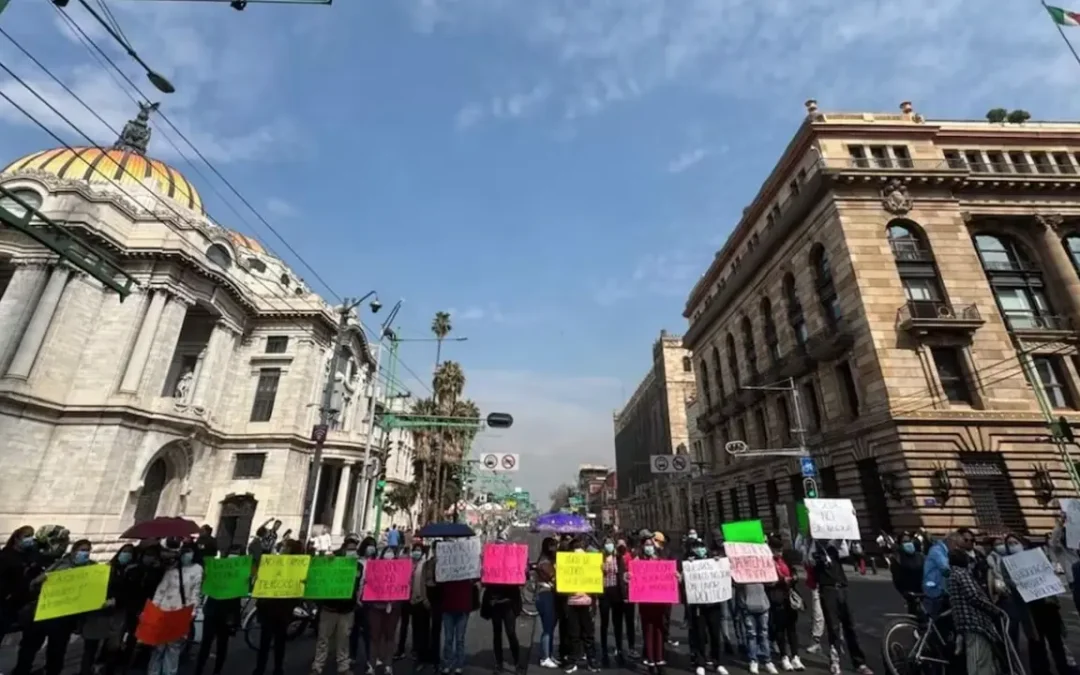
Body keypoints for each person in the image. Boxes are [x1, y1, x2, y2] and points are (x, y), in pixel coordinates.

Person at [12, 535, 85, 675]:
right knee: (29, 649)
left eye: (88, 550)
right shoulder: (55, 563)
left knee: (56, 653)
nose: (85, 554)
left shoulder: (90, 570)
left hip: (63, 621)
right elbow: (32, 586)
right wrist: (40, 581)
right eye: (82, 550)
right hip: (42, 615)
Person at [811, 540, 872, 675]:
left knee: (850, 626)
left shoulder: (834, 548)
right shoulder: (813, 550)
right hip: (827, 590)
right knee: (833, 627)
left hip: (842, 588)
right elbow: (808, 560)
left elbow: (848, 556)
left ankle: (859, 663)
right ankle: (835, 661)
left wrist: (857, 552)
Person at [147, 539, 203, 675]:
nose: (186, 555)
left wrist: (192, 612)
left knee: (173, 650)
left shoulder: (197, 570)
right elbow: (160, 591)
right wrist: (153, 611)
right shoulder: (171, 569)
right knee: (158, 649)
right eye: (184, 552)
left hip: (180, 614)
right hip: (163, 612)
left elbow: (195, 594)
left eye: (189, 552)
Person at [946, 547, 1005, 675]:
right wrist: (994, 609)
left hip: (965, 622)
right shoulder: (962, 574)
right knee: (978, 659)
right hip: (974, 621)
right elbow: (974, 596)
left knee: (977, 657)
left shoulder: (953, 574)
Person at [80, 543, 135, 675]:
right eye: (124, 551)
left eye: (129, 553)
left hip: (117, 613)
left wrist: (118, 600)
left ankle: (104, 669)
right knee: (91, 647)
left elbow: (132, 592)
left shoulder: (133, 571)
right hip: (100, 611)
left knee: (112, 646)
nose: (126, 555)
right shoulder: (107, 568)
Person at [312, 535, 362, 675]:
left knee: (344, 639)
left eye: (354, 549)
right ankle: (318, 666)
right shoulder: (332, 562)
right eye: (350, 549)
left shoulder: (358, 566)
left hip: (347, 610)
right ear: (344, 549)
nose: (352, 552)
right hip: (330, 608)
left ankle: (343, 666)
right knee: (323, 639)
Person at [253, 540, 303, 675]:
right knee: (266, 641)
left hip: (282, 609)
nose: (283, 548)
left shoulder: (298, 566)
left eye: (286, 546)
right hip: (269, 607)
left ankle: (276, 668)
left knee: (278, 642)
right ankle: (262, 668)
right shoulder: (272, 562)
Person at [193, 546, 241, 675]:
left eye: (236, 554)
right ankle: (199, 670)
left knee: (222, 644)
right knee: (206, 643)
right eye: (232, 553)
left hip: (227, 615)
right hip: (213, 610)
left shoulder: (241, 573)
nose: (233, 557)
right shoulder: (217, 568)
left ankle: (217, 671)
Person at [436, 541, 477, 675]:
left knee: (459, 639)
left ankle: (459, 664)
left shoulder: (469, 571)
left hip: (462, 608)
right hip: (448, 607)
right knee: (448, 638)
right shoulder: (445, 570)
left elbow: (476, 579)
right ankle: (447, 663)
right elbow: (438, 582)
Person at [561, 537, 598, 674]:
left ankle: (582, 660)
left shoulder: (590, 563)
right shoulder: (567, 564)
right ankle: (585, 661)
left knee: (581, 634)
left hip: (582, 602)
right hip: (576, 602)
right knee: (580, 634)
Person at [767, 534, 803, 672]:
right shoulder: (767, 563)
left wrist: (793, 577)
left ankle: (795, 656)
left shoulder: (785, 559)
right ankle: (784, 657)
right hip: (776, 598)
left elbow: (793, 572)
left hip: (789, 598)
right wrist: (782, 581)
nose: (779, 553)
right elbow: (769, 582)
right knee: (780, 629)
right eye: (776, 550)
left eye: (780, 550)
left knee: (792, 629)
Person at [735, 548, 774, 675]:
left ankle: (768, 661)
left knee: (764, 633)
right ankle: (754, 660)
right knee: (751, 635)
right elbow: (734, 583)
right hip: (748, 606)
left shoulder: (761, 566)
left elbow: (772, 582)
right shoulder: (739, 569)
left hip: (762, 605)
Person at [0, 526, 41, 643]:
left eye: (32, 536)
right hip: (5, 603)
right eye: (27, 536)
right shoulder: (6, 555)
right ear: (17, 539)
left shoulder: (30, 556)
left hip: (20, 603)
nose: (30, 539)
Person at [368, 547, 404, 674]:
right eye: (387, 552)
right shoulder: (375, 568)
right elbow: (370, 584)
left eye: (392, 552)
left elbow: (403, 586)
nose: (389, 554)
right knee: (375, 636)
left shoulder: (400, 569)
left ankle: (388, 665)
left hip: (392, 608)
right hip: (376, 607)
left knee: (390, 636)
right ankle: (372, 664)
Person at [481, 564, 523, 672]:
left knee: (510, 633)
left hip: (507, 604)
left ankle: (517, 662)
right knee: (498, 634)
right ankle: (499, 663)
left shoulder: (508, 563)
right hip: (496, 604)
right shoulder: (491, 564)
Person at [636, 537, 668, 674]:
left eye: (651, 545)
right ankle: (650, 661)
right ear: (643, 547)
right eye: (646, 545)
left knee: (659, 631)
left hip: (659, 603)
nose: (649, 547)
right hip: (645, 603)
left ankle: (659, 660)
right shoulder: (638, 562)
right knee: (648, 631)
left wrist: (676, 576)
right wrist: (628, 576)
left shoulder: (661, 562)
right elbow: (630, 578)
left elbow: (669, 575)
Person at [598, 536, 629, 668]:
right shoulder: (599, 559)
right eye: (607, 543)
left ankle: (619, 649)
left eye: (611, 543)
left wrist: (625, 595)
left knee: (618, 624)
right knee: (604, 624)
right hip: (604, 594)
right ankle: (604, 651)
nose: (609, 545)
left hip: (617, 594)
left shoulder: (618, 558)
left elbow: (622, 576)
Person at [396, 543, 428, 661]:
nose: (417, 552)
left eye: (419, 550)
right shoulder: (406, 563)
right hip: (405, 598)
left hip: (417, 599)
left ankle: (415, 649)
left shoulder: (424, 565)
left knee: (416, 626)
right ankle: (400, 649)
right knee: (403, 625)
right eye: (415, 550)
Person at [535, 537, 559, 669]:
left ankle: (548, 654)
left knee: (550, 627)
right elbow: (553, 577)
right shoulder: (545, 562)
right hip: (545, 596)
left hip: (547, 595)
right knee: (548, 629)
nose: (555, 548)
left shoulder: (547, 560)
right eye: (553, 546)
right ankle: (545, 658)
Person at [890, 532, 924, 617]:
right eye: (904, 542)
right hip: (910, 593)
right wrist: (905, 592)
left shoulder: (919, 556)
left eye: (909, 541)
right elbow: (897, 579)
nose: (908, 544)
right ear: (900, 544)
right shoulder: (898, 559)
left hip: (924, 591)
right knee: (914, 616)